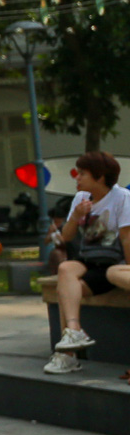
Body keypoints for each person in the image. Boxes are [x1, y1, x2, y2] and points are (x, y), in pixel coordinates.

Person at [46, 151, 130, 372]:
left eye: (82, 173)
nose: (77, 177)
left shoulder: (122, 198)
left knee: (65, 291)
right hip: (89, 261)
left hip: (113, 264)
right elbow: (66, 237)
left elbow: (127, 237)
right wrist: (75, 217)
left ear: (100, 177)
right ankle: (74, 332)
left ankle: (67, 355)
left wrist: (128, 269)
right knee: (65, 268)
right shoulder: (81, 198)